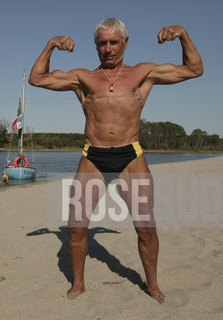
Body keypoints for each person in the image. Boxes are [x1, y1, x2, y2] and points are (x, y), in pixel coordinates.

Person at [29, 18, 203, 303]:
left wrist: (183, 34)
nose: (108, 48)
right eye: (102, 43)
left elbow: (195, 69)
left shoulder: (143, 74)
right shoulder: (83, 78)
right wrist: (50, 45)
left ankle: (153, 285)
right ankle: (79, 284)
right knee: (75, 226)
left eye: (113, 42)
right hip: (93, 157)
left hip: (130, 157)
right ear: (96, 45)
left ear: (125, 43)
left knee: (146, 227)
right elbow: (37, 78)